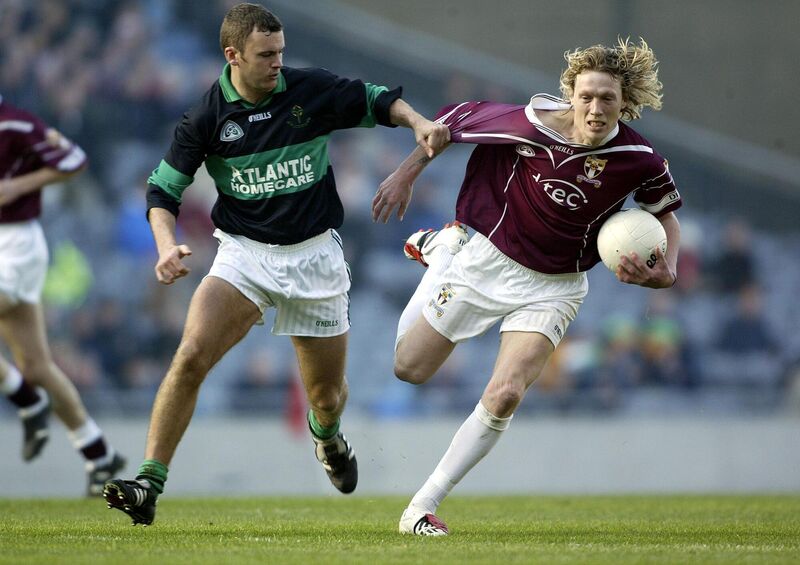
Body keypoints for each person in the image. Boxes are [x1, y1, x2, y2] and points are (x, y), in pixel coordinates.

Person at [103, 2, 449, 526]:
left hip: (314, 257)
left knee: (326, 396)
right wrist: (165, 244)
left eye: (281, 52)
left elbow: (376, 100)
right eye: (266, 55)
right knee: (192, 354)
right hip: (244, 255)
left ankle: (327, 437)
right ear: (233, 55)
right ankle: (149, 484)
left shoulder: (307, 90)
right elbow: (161, 190)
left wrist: (419, 122)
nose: (277, 63)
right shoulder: (204, 118)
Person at [372, 38, 682, 535]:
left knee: (507, 393)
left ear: (626, 102)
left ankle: (420, 508)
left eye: (607, 98)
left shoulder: (639, 158)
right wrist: (405, 175)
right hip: (485, 263)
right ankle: (440, 253)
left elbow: (664, 212)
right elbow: (445, 127)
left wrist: (668, 269)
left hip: (555, 286)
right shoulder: (528, 124)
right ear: (571, 95)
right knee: (409, 368)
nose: (596, 108)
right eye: (587, 96)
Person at [0, 94, 125, 496]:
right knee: (37, 366)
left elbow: (73, 159)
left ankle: (23, 397)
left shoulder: (17, 124)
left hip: (15, 243)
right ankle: (99, 453)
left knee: (31, 374)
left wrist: (20, 183)